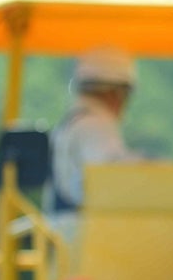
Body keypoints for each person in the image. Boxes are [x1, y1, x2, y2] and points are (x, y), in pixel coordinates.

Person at [48, 46, 142, 214]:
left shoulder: (75, 121)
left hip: (67, 227)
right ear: (114, 92)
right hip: (84, 231)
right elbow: (110, 175)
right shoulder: (96, 126)